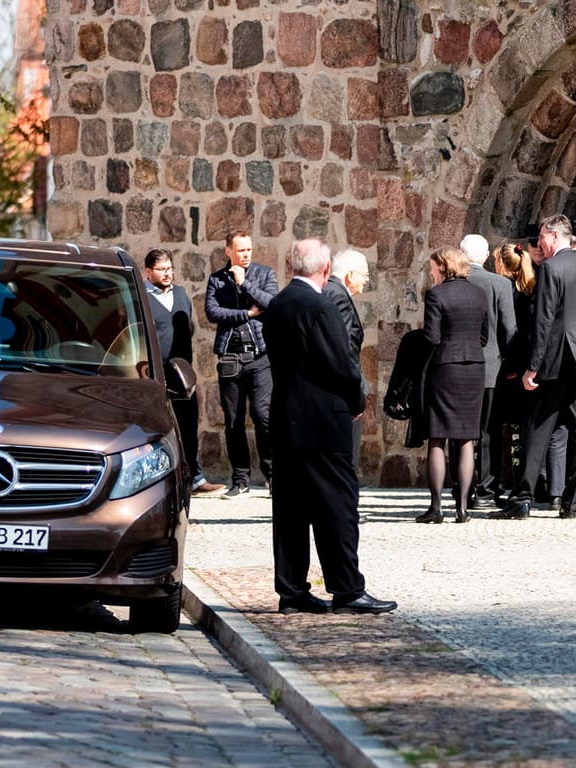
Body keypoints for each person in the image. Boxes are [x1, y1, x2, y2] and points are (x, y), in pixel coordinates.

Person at [262, 237, 396, 615]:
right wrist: (357, 402)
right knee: (337, 506)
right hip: (323, 421)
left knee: (290, 511)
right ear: (324, 269)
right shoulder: (320, 306)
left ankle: (291, 591)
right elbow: (341, 364)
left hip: (287, 419)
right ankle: (347, 589)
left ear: (292, 267)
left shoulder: (277, 306)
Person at [493, 214, 576, 521]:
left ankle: (523, 498)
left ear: (555, 236)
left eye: (542, 236)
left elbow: (543, 321)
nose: (539, 243)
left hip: (556, 360)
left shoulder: (551, 269)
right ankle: (571, 503)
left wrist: (533, 366)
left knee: (538, 427)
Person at [417, 246, 489, 524]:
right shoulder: (479, 293)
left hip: (445, 367)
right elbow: (484, 336)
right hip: (474, 367)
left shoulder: (436, 294)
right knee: (466, 438)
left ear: (444, 267)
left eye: (434, 267)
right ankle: (462, 508)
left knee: (437, 437)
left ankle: (436, 508)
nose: (432, 271)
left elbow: (432, 337)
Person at [145, 249, 225, 494]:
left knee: (188, 425)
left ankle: (196, 478)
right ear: (148, 272)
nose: (167, 273)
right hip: (154, 374)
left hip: (181, 373)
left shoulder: (181, 294)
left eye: (169, 268)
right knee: (154, 429)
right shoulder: (143, 298)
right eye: (161, 269)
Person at [205, 230, 277, 497]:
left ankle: (272, 476)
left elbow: (271, 303)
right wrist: (246, 313)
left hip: (260, 357)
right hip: (230, 357)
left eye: (248, 249)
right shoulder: (217, 280)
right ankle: (241, 479)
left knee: (263, 415)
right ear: (228, 251)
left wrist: (245, 284)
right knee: (233, 420)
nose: (245, 254)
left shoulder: (265, 274)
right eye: (240, 250)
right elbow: (212, 312)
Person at [458, 234, 516, 509]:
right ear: (485, 256)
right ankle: (485, 490)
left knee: (459, 428)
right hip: (492, 366)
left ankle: (461, 486)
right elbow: (508, 329)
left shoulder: (453, 284)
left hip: (457, 367)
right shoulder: (500, 284)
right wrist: (512, 364)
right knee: (489, 429)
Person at [491, 241, 537, 495]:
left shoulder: (504, 288)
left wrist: (511, 363)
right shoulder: (532, 289)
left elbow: (509, 331)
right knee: (521, 426)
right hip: (525, 366)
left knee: (501, 425)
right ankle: (520, 475)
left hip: (508, 365)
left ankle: (503, 478)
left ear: (501, 263)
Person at [324, 248, 370, 468]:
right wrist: (355, 394)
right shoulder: (337, 295)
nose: (366, 280)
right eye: (364, 274)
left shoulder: (331, 291)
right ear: (350, 275)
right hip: (340, 393)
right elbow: (343, 349)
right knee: (344, 460)